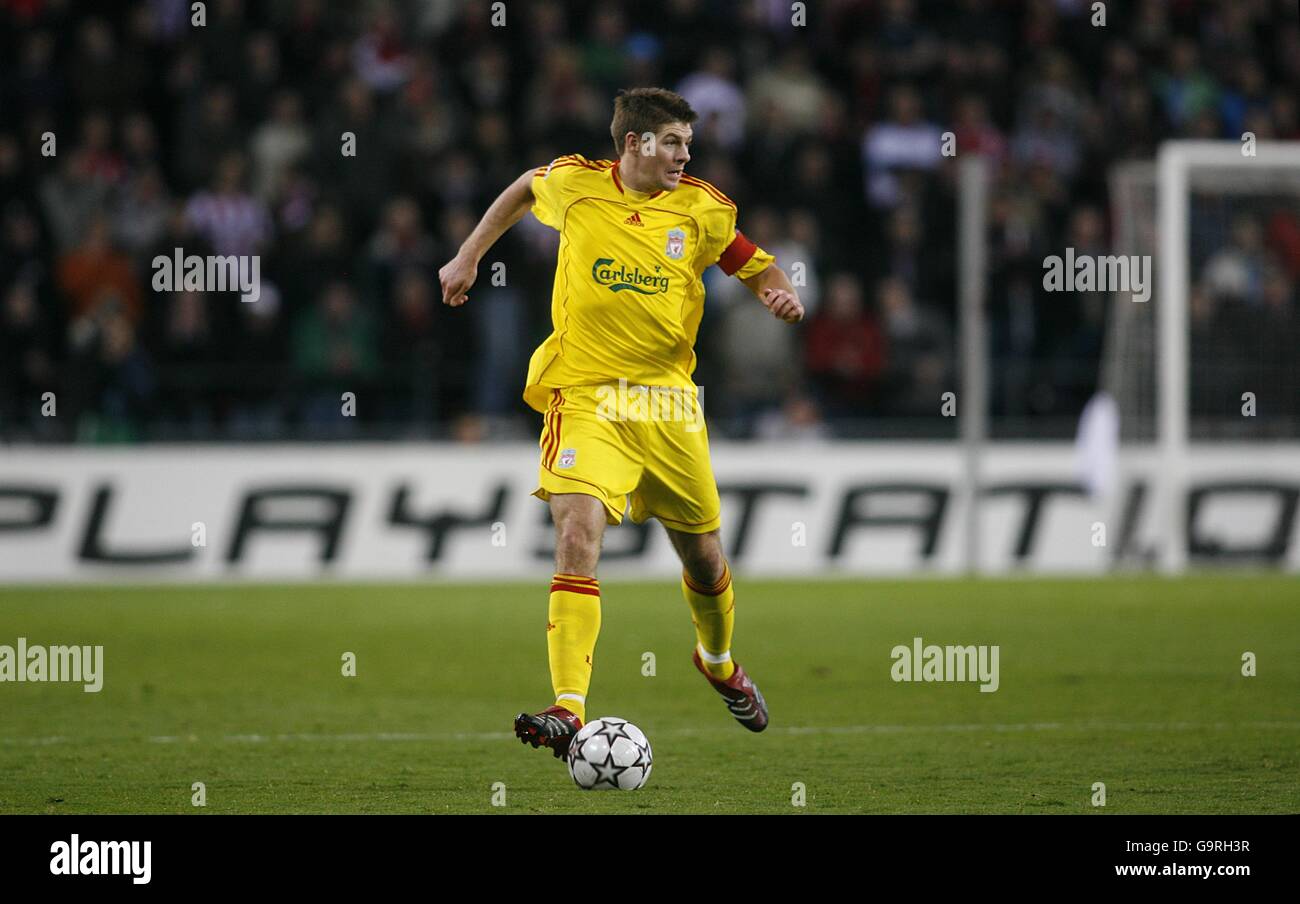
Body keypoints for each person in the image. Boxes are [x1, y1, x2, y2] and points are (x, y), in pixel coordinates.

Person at [438, 87, 804, 758]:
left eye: (688, 144)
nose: (684, 154)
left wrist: (776, 290)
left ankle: (718, 662)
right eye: (672, 142)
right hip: (586, 394)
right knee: (577, 532)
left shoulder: (703, 207)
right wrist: (469, 256)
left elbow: (754, 262)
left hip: (667, 403)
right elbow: (522, 187)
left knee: (703, 554)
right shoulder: (576, 183)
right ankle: (568, 708)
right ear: (634, 144)